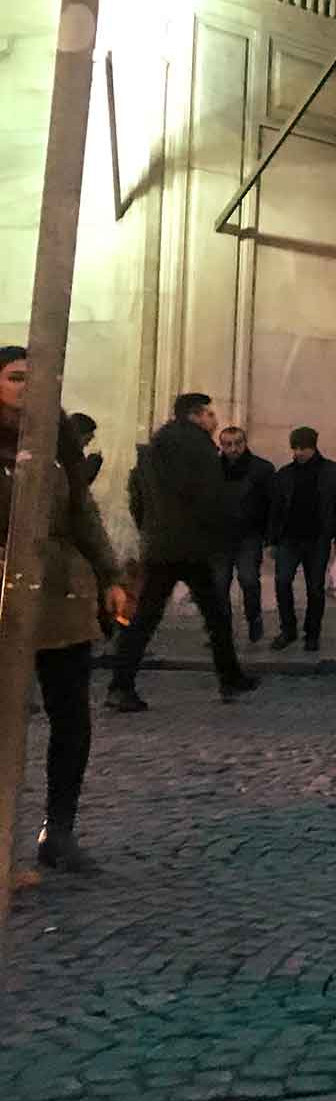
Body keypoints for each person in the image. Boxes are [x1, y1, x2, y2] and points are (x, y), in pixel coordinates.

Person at [0, 351, 129, 871]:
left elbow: (83, 513)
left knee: (70, 715)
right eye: (15, 378)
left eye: (38, 378)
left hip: (62, 591)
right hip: (5, 588)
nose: (27, 387)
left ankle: (60, 830)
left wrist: (111, 576)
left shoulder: (58, 437)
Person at [107, 391, 256, 711]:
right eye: (210, 414)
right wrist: (219, 529)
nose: (214, 421)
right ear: (196, 415)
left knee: (146, 617)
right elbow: (208, 496)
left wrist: (151, 528)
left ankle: (121, 685)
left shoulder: (153, 448)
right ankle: (230, 678)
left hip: (161, 544)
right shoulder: (197, 447)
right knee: (215, 614)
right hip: (191, 545)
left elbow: (137, 494)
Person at [266, 426, 336, 654]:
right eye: (295, 448)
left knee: (315, 588)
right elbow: (275, 510)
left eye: (302, 448)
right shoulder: (284, 474)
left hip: (317, 539)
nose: (298, 453)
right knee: (282, 582)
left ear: (313, 447)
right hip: (289, 539)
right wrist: (272, 541)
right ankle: (288, 629)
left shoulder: (333, 472)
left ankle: (312, 634)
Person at [216, 424, 275, 646]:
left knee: (249, 580)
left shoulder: (261, 469)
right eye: (228, 444)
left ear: (245, 443)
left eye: (237, 444)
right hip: (220, 537)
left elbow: (272, 505)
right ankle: (222, 630)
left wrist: (271, 538)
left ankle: (254, 618)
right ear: (221, 446)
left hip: (249, 535)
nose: (233, 449)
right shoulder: (213, 469)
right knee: (219, 586)